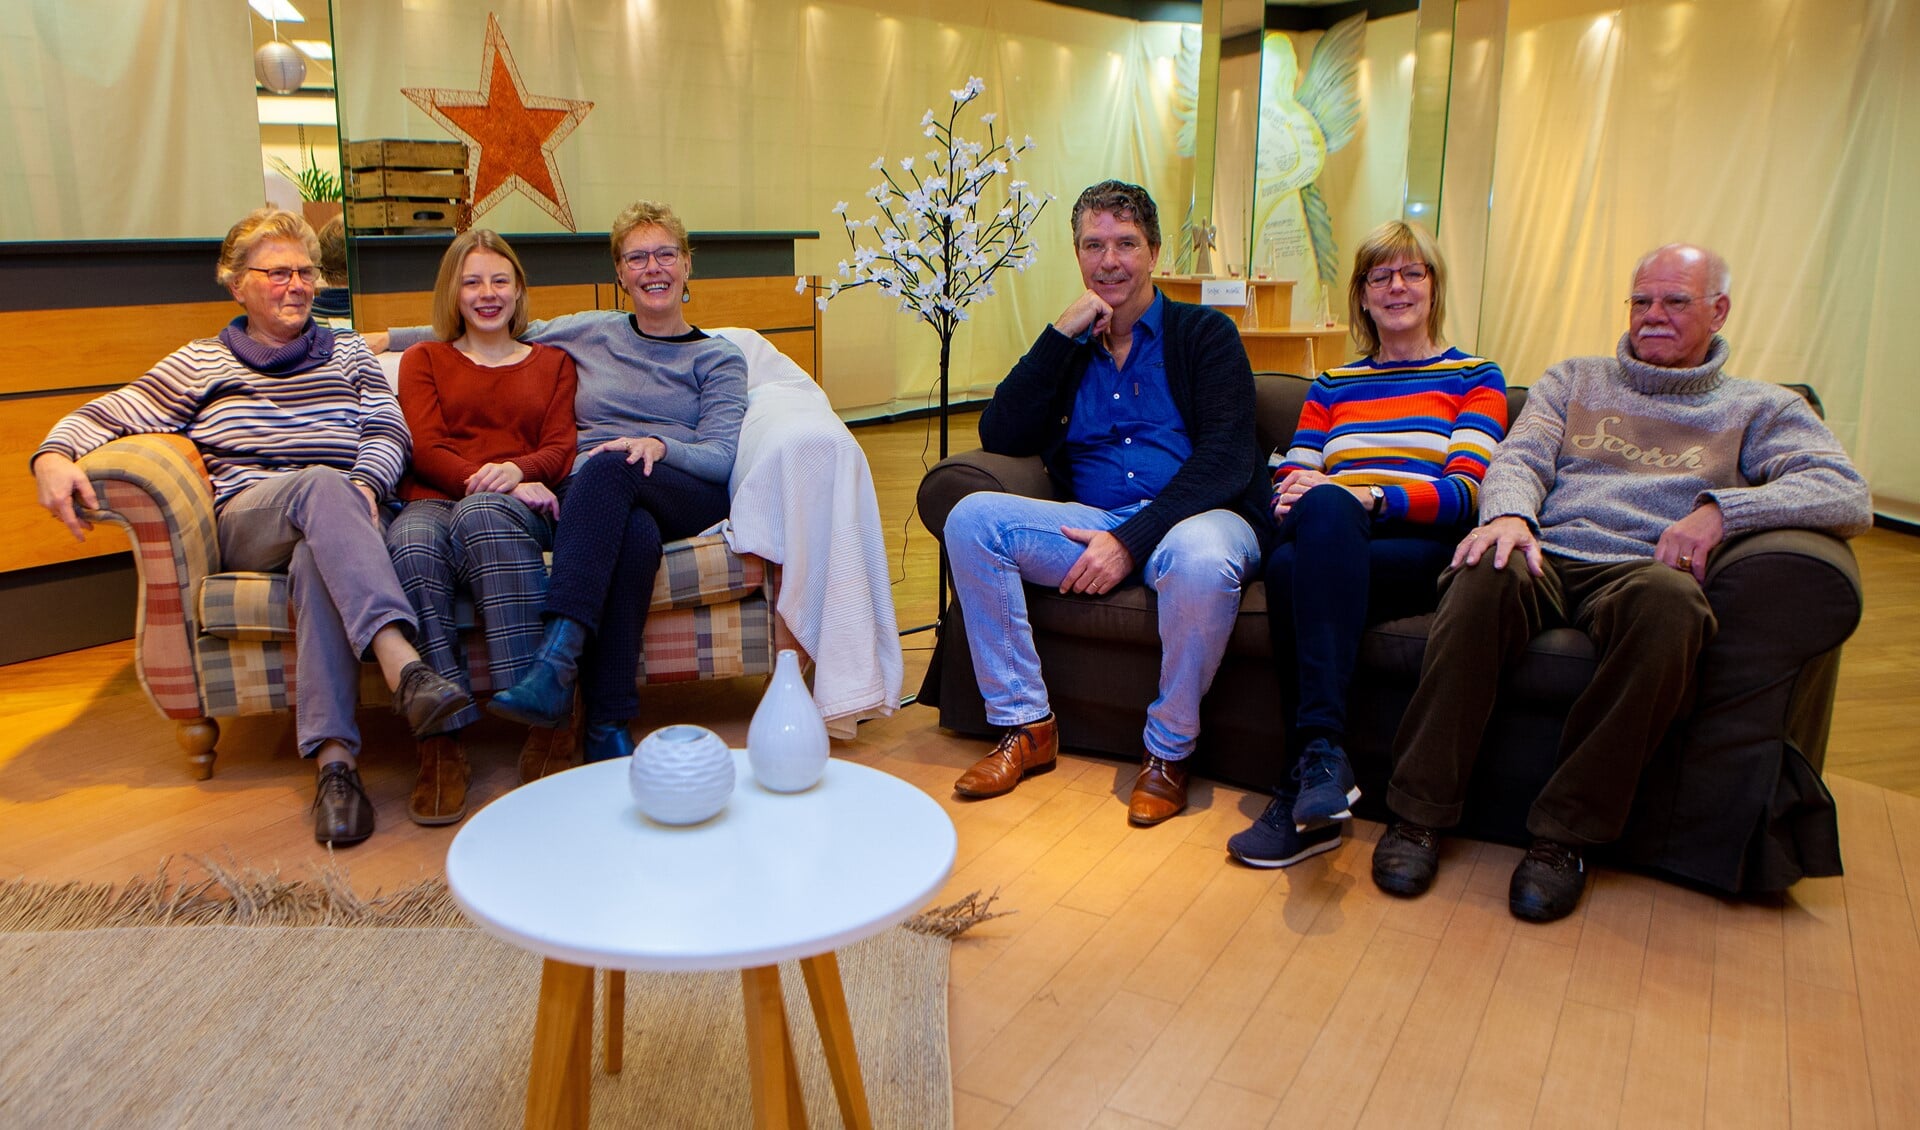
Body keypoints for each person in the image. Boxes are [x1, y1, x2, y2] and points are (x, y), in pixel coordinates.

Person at [1370, 243, 1872, 922]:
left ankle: (1564, 838)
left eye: (1675, 301)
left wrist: (1721, 512)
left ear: (1719, 310)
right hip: (1548, 551)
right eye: (1641, 301)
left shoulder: (1761, 407)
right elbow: (1520, 455)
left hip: (1645, 570)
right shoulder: (1575, 379)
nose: (1653, 316)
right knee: (1480, 571)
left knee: (1674, 608)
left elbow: (1845, 494)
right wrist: (1512, 515)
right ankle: (1418, 815)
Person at [30, 208, 470, 847]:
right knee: (322, 483)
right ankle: (403, 664)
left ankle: (336, 769)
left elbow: (386, 430)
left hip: (344, 521)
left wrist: (368, 484)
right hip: (251, 521)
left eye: (306, 272)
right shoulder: (200, 364)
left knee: (320, 554)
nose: (296, 285)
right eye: (277, 272)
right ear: (236, 284)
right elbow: (109, 412)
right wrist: (51, 456)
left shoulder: (346, 351)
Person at [943, 180, 1271, 827]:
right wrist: (1056, 337)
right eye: (1094, 245)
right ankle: (1025, 727)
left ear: (1152, 251)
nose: (1110, 260)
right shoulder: (1073, 347)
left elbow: (1229, 457)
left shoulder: (1203, 334)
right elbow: (1001, 435)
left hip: (1192, 521)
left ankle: (1168, 753)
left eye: (1125, 243)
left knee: (1204, 560)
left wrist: (1132, 540)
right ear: (1078, 255)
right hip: (1090, 520)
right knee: (972, 518)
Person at [385, 201, 747, 763]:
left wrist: (659, 445)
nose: (653, 268)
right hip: (601, 492)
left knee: (609, 464)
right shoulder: (592, 330)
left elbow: (722, 455)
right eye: (637, 258)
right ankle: (607, 723)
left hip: (680, 481)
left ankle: (556, 659)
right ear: (620, 274)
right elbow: (497, 322)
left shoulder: (718, 357)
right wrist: (382, 338)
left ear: (686, 264)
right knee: (635, 536)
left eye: (665, 254)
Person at [1227, 221, 1508, 869]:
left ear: (1435, 289)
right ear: (1361, 296)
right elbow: (1289, 482)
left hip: (1415, 547)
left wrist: (1372, 497)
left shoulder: (1476, 376)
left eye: (1413, 273)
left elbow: (1465, 493)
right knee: (1311, 528)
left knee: (1297, 564)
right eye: (1380, 276)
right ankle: (1319, 768)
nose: (1397, 286)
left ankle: (1308, 768)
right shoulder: (1332, 385)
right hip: (1333, 533)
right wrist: (1316, 496)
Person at [385, 229, 579, 826]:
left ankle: (548, 721)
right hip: (435, 497)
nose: (487, 293)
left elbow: (561, 448)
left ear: (519, 290)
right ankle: (439, 742)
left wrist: (518, 473)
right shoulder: (425, 360)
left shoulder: (554, 362)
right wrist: (493, 477)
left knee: (482, 514)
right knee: (411, 544)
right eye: (472, 281)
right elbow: (426, 448)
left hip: (520, 509)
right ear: (454, 292)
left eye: (499, 280)